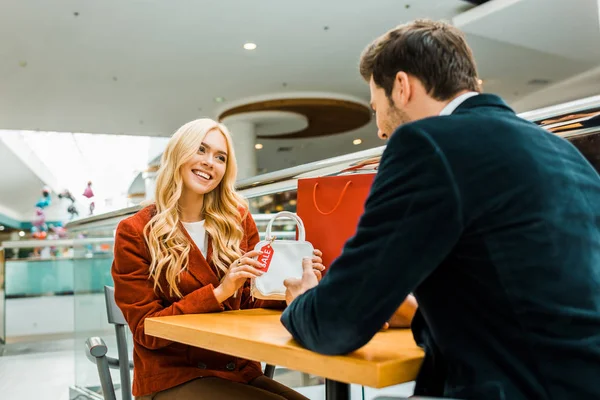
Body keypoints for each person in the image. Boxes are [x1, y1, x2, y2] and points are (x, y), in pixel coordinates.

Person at [281, 19, 600, 400]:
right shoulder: (561, 150)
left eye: (376, 107)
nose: (381, 131)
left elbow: (336, 324)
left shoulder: (426, 143)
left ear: (401, 86)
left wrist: (301, 301)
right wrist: (419, 315)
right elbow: (533, 297)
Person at [112, 119, 324, 400]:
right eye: (201, 150)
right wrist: (219, 292)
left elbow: (251, 300)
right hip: (171, 377)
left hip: (238, 369)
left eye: (220, 157)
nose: (210, 162)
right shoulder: (135, 231)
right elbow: (145, 330)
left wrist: (293, 288)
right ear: (178, 153)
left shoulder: (236, 220)